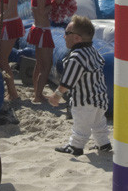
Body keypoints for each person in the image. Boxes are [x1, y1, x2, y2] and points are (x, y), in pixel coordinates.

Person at [48, 15, 111, 156]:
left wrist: (57, 95)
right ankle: (103, 143)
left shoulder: (76, 56)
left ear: (76, 38)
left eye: (67, 33)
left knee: (80, 125)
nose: (64, 37)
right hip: (100, 98)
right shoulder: (92, 51)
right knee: (98, 124)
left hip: (84, 100)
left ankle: (75, 146)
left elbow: (68, 81)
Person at [26, 0, 56, 103]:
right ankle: (38, 95)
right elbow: (42, 12)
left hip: (37, 28)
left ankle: (37, 93)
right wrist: (55, 3)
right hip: (42, 30)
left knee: (39, 64)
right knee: (46, 65)